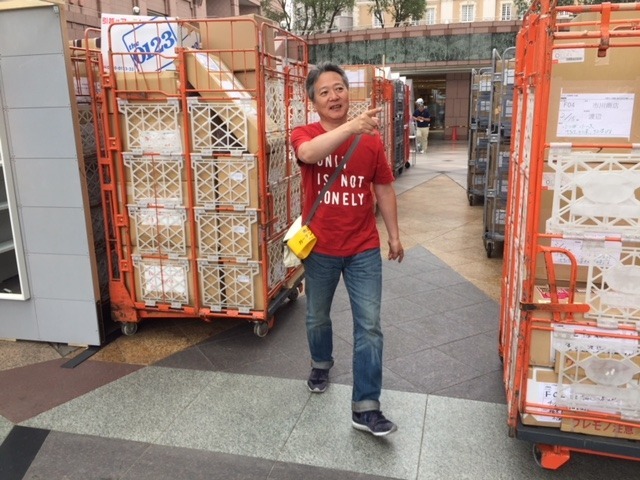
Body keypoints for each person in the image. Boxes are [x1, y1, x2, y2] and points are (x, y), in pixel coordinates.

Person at [290, 62, 404, 437]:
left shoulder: (370, 140)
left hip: (363, 248)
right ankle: (321, 362)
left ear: (348, 92)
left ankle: (366, 407)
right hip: (320, 247)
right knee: (316, 317)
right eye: (324, 92)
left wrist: (394, 235)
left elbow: (383, 186)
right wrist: (352, 127)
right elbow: (309, 155)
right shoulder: (304, 133)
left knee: (369, 327)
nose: (334, 96)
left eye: (339, 88)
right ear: (314, 102)